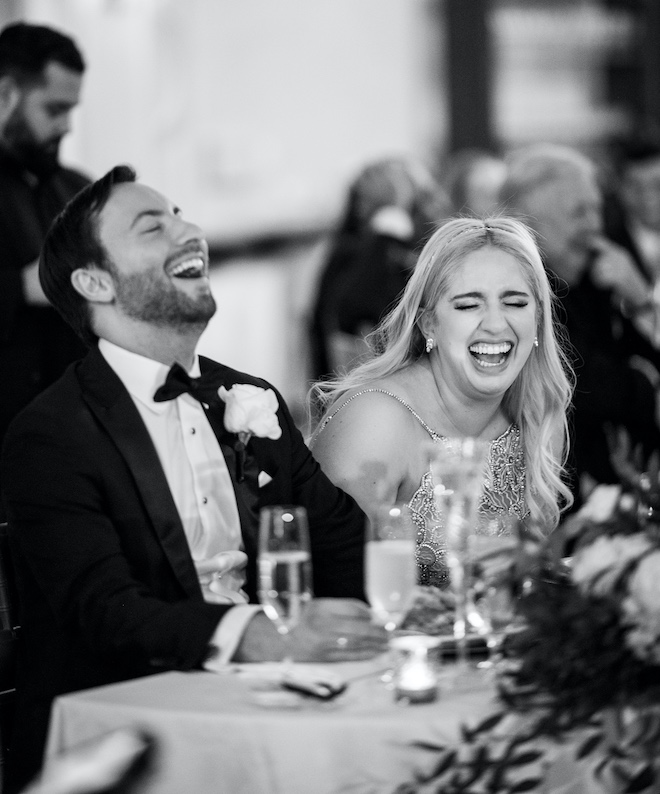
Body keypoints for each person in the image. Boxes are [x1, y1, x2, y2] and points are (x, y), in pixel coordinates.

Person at [0, 165, 387, 792]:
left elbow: (336, 533)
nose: (191, 232)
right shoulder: (51, 435)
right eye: (154, 226)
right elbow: (108, 612)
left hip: (274, 701)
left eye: (182, 215)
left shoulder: (249, 396)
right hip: (131, 733)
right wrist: (256, 636)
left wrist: (380, 623)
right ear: (94, 282)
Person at [309, 217, 574, 588]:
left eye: (515, 302)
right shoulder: (376, 423)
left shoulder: (538, 414)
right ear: (428, 324)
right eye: (468, 306)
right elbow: (332, 589)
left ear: (539, 319)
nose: (496, 325)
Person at [499, 143, 660, 503]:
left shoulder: (592, 278)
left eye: (597, 209)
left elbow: (645, 363)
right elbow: (588, 387)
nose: (595, 227)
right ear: (531, 224)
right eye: (579, 213)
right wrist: (646, 389)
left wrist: (640, 301)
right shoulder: (515, 294)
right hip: (552, 501)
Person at [0, 23, 91, 517]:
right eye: (54, 109)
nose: (66, 126)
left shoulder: (73, 187)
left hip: (70, 433)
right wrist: (20, 286)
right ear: (6, 94)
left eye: (71, 109)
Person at [308, 157, 449, 379]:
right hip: (364, 379)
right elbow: (351, 312)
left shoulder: (434, 249)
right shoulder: (351, 254)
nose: (364, 210)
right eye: (363, 201)